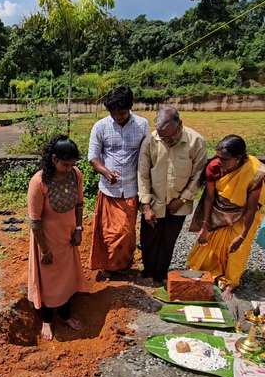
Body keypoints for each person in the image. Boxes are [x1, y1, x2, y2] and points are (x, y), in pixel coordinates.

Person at [188, 135, 265, 298]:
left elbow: (251, 209)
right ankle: (211, 272)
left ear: (238, 159)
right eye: (218, 156)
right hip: (219, 211)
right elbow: (209, 197)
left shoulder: (255, 172)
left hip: (244, 215)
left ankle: (230, 282)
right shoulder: (214, 166)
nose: (219, 161)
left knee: (237, 250)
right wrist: (205, 226)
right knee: (206, 247)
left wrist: (242, 236)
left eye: (225, 159)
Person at [27, 135, 88, 340]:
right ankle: (46, 320)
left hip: (68, 236)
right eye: (65, 164)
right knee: (48, 280)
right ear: (54, 159)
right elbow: (35, 221)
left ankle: (65, 315)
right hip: (46, 240)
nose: (70, 168)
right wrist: (44, 250)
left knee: (66, 278)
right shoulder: (38, 182)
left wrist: (78, 229)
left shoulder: (75, 175)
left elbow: (79, 204)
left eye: (73, 164)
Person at [138, 106, 207, 285]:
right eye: (161, 136)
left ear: (180, 125)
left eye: (168, 136)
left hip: (179, 204)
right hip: (154, 202)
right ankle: (148, 272)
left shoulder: (196, 141)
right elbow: (143, 174)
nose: (164, 140)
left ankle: (160, 275)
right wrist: (146, 206)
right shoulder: (150, 141)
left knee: (168, 241)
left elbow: (198, 175)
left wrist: (183, 198)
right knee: (148, 240)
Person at [88, 85, 149, 274]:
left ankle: (123, 266)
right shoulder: (100, 126)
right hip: (108, 191)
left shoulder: (142, 125)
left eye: (121, 113)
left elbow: (147, 155)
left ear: (130, 107)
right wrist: (105, 172)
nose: (118, 117)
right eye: (113, 113)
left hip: (131, 189)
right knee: (107, 233)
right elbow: (93, 157)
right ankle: (108, 267)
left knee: (125, 233)